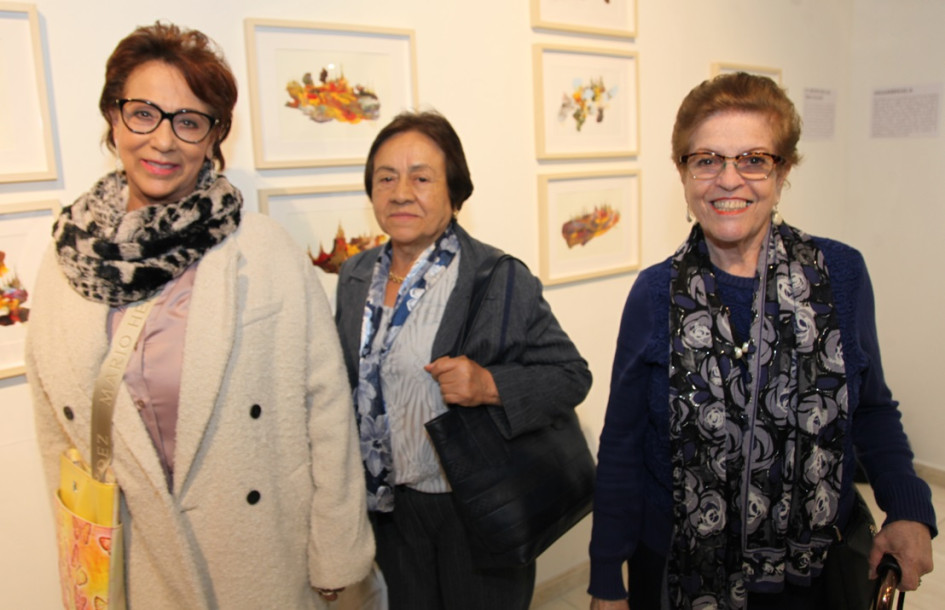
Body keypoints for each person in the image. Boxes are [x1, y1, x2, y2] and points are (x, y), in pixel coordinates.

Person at [26, 22, 373, 608]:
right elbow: (52, 435)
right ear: (113, 119)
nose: (163, 141)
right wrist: (78, 550)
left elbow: (328, 411)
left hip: (259, 552)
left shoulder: (263, 251)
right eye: (143, 113)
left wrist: (338, 551)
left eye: (189, 121)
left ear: (213, 138)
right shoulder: (68, 259)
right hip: (135, 559)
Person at [589, 72, 936, 609]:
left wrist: (909, 507)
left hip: (812, 574)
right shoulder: (655, 293)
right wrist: (607, 581)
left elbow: (870, 409)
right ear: (682, 173)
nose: (729, 179)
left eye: (753, 158)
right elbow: (621, 447)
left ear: (784, 170)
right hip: (681, 573)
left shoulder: (839, 274)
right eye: (706, 159)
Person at [335, 110, 592, 610]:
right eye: (386, 177)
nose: (401, 192)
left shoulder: (496, 278)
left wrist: (488, 385)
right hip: (391, 509)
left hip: (476, 505)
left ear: (455, 193)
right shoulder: (354, 277)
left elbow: (570, 376)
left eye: (421, 177)